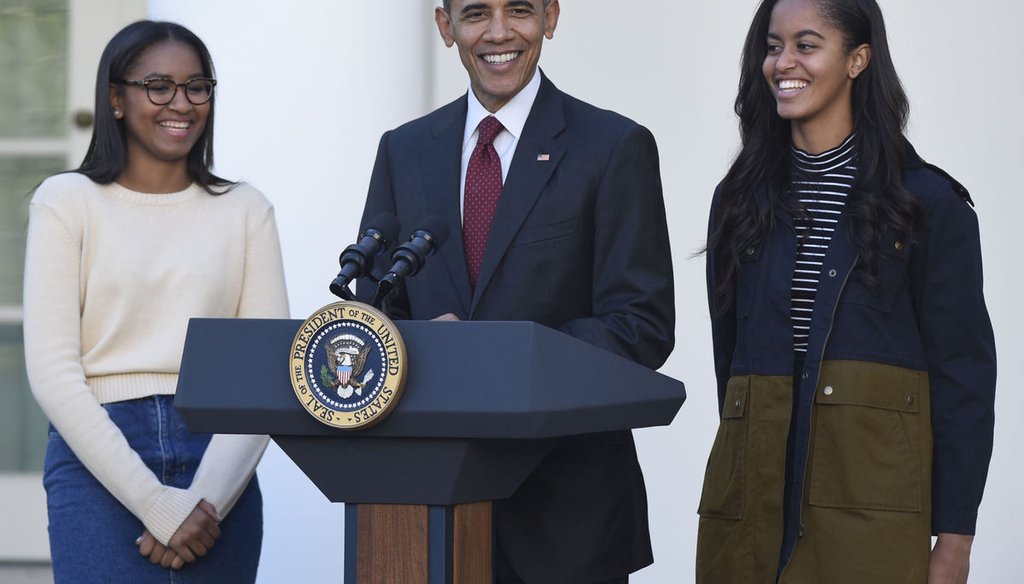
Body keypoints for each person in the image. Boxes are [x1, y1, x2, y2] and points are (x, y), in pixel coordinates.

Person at [354, 1, 674, 582]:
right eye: (476, 13)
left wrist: (490, 356)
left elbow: (641, 325)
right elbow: (382, 312)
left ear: (550, 17)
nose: (499, 33)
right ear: (445, 26)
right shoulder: (405, 150)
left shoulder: (612, 145)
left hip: (567, 516)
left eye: (519, 10)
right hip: (426, 513)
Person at [696, 0, 996, 582]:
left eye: (806, 46)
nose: (783, 62)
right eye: (773, 46)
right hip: (746, 526)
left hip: (868, 526)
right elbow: (729, 369)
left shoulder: (926, 206)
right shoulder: (738, 203)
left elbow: (964, 379)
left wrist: (955, 538)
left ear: (858, 59)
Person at [22, 20, 289, 583]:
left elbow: (266, 372)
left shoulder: (246, 210)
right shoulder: (66, 202)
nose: (182, 103)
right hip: (99, 458)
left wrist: (205, 502)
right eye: (159, 86)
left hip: (220, 460)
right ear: (116, 99)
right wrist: (156, 504)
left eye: (197, 86)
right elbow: (52, 372)